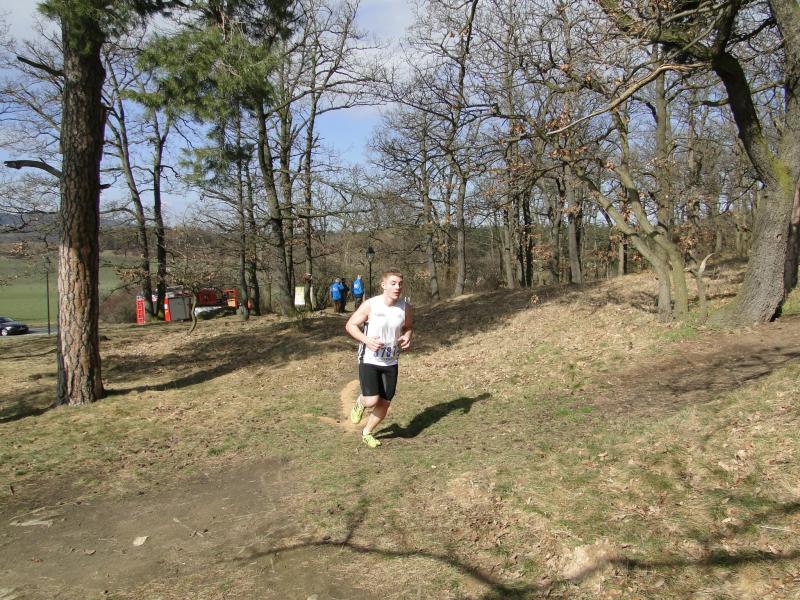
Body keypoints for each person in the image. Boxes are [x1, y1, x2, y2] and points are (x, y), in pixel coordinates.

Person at [344, 269, 413, 448]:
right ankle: (361, 402)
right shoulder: (371, 305)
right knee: (371, 400)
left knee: (385, 402)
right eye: (393, 283)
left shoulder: (405, 307)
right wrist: (366, 340)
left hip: (391, 360)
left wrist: (407, 337)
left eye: (400, 284)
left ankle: (367, 433)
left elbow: (408, 327)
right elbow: (350, 325)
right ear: (383, 285)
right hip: (369, 359)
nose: (397, 287)